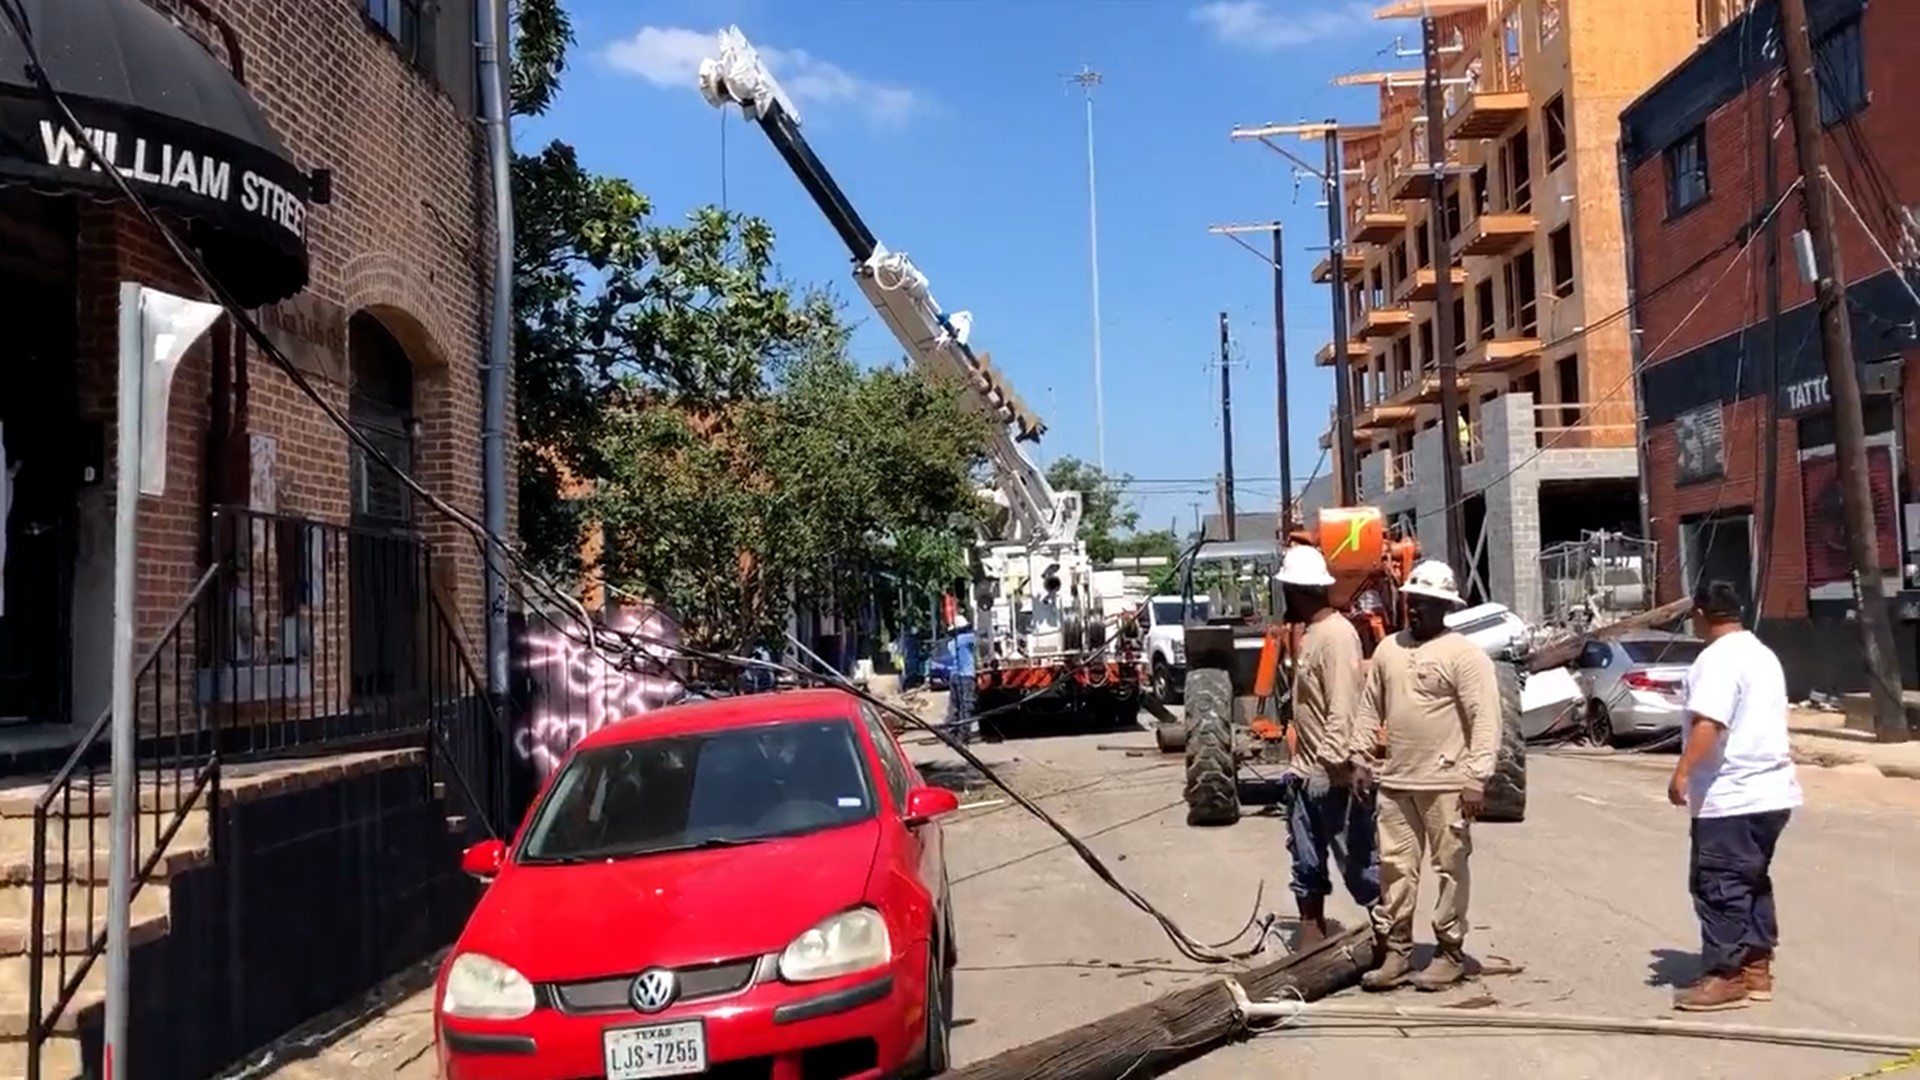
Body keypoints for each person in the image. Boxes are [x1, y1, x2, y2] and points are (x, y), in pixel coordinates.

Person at [1357, 559, 1499, 992]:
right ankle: (1397, 949)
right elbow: (1369, 707)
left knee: (1450, 866)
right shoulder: (1388, 650)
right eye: (1411, 601)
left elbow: (1486, 719)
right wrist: (1360, 757)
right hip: (1397, 782)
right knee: (1396, 867)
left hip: (1447, 784)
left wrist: (1476, 777)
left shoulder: (1464, 656)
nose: (1414, 609)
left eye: (1425, 602)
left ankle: (1450, 950)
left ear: (1445, 607)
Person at [1667, 580, 1801, 1012]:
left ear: (1701, 616)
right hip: (1772, 792)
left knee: (1719, 885)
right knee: (1752, 881)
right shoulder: (1762, 654)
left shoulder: (1717, 659)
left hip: (1733, 794)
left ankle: (1725, 976)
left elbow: (1711, 722)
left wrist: (1682, 772)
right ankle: (1756, 968)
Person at [1275, 545, 1381, 947]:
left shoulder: (1336, 636)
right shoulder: (1311, 635)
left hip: (1334, 776)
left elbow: (1343, 705)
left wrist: (1330, 763)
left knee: (1359, 866)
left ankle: (1393, 944)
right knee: (1306, 863)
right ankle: (1311, 943)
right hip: (1306, 774)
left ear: (1299, 590)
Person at [945, 616, 979, 744]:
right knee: (966, 705)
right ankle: (963, 736)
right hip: (966, 676)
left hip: (954, 676)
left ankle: (951, 734)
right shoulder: (967, 639)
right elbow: (982, 640)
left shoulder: (951, 643)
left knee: (954, 706)